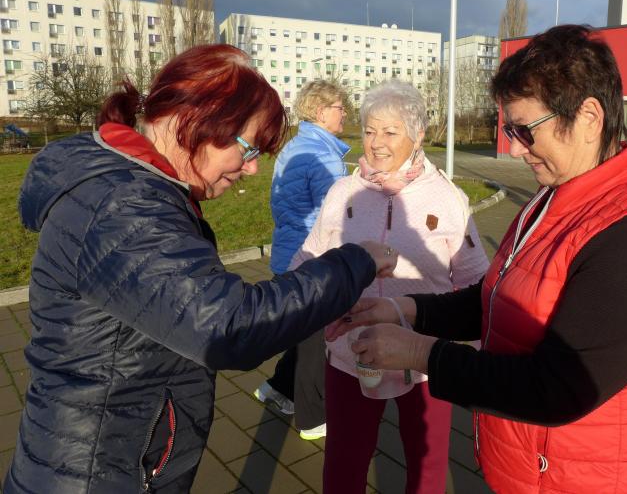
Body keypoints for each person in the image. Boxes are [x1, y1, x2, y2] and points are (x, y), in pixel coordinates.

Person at [5, 44, 396, 494]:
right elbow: (229, 325)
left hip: (110, 457)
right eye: (248, 148)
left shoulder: (134, 188)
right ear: (192, 120)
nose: (252, 169)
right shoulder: (122, 207)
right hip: (97, 473)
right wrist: (356, 262)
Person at [329, 25, 627, 494]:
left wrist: (419, 352)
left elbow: (559, 388)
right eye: (510, 130)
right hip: (537, 470)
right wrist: (403, 309)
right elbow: (496, 299)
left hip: (590, 479)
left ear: (589, 117)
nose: (516, 148)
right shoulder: (555, 198)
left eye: (526, 130)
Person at [295, 80, 488, 493]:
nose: (376, 143)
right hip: (349, 353)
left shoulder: (447, 198)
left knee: (427, 464)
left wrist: (474, 360)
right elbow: (309, 258)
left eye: (389, 131)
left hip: (422, 358)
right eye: (369, 130)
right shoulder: (343, 192)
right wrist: (285, 306)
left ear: (417, 135)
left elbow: (476, 282)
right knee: (344, 463)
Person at [253, 80, 350, 441]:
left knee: (300, 331)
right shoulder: (324, 155)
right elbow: (340, 216)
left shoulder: (294, 147)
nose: (345, 113)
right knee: (317, 341)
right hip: (313, 259)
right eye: (340, 107)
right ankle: (313, 419)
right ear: (322, 112)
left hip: (288, 254)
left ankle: (277, 388)